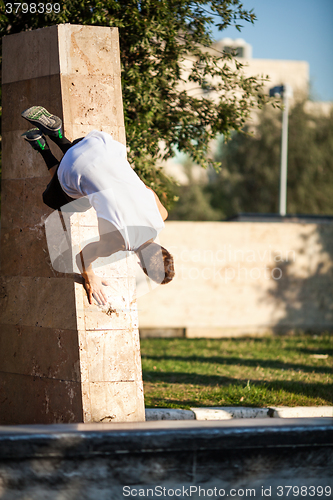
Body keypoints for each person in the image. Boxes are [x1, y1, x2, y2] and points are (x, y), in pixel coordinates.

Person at [21, 106, 175, 305]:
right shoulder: (119, 242)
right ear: (140, 264)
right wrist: (90, 275)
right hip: (75, 165)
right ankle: (41, 146)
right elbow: (81, 258)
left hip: (100, 145)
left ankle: (58, 133)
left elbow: (145, 189)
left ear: (162, 247)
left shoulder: (161, 215)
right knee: (60, 200)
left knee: (91, 176)